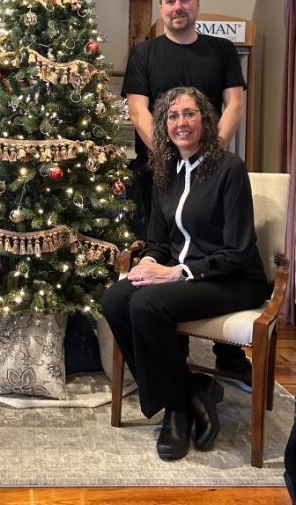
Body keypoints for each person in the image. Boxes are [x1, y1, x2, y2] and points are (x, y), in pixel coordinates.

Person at [102, 87, 269, 461]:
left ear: (205, 120)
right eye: (173, 116)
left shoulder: (229, 168)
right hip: (185, 276)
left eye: (190, 114)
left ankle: (176, 411)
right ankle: (192, 388)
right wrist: (149, 263)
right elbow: (160, 242)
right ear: (164, 126)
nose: (181, 123)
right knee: (115, 298)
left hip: (234, 280)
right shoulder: (165, 173)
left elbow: (238, 252)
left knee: (147, 305)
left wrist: (177, 273)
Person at [122, 0, 249, 378]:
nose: (178, 7)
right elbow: (138, 110)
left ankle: (228, 355)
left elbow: (234, 104)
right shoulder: (145, 54)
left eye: (185, 0)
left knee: (212, 238)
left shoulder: (221, 50)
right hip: (162, 167)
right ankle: (172, 355)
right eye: (170, 1)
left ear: (196, 3)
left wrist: (209, 149)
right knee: (166, 241)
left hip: (209, 164)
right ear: (161, 9)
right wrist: (169, 152)